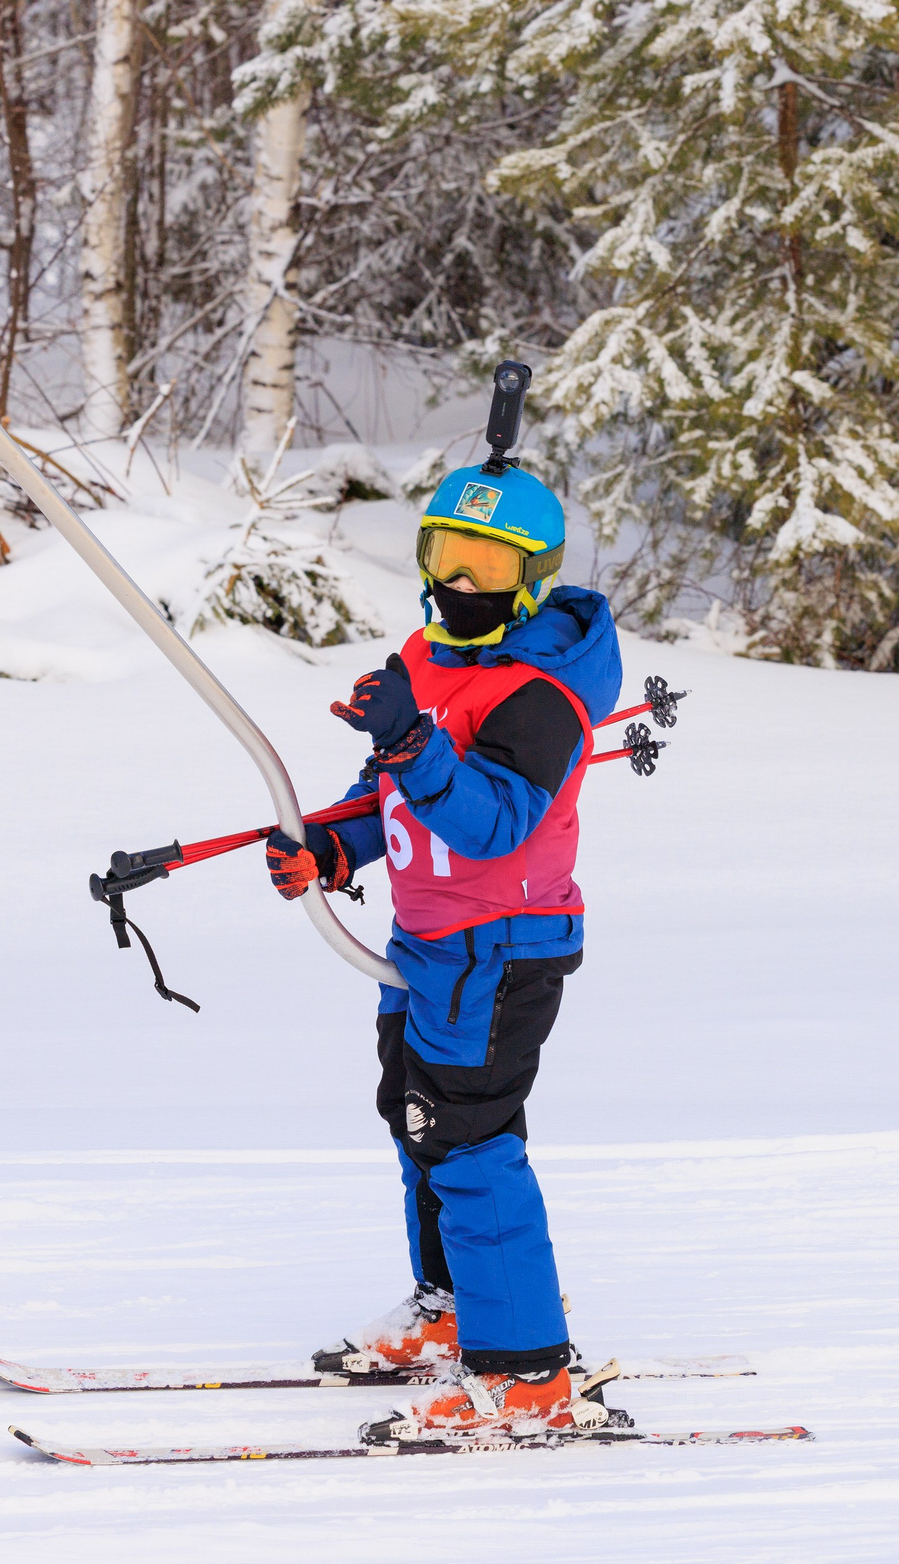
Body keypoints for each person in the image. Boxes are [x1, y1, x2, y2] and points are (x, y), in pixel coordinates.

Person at [263, 434, 622, 1442]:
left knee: (467, 1138)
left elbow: (491, 821)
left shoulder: (542, 694)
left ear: (532, 577)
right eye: (443, 555)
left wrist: (412, 743)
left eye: (489, 562)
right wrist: (329, 849)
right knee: (413, 1124)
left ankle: (527, 1375)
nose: (460, 580)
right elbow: (387, 800)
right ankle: (454, 1308)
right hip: (426, 945)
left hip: (501, 951)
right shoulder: (428, 659)